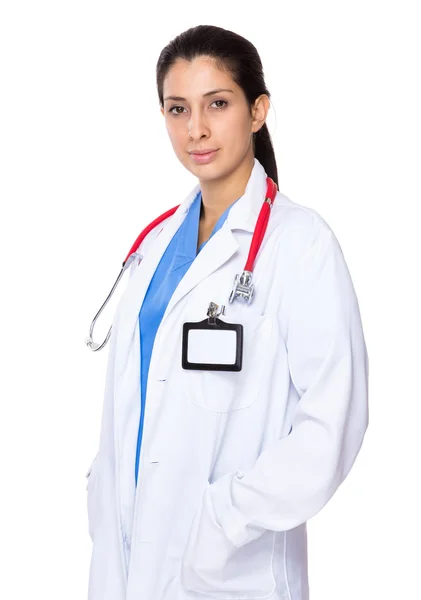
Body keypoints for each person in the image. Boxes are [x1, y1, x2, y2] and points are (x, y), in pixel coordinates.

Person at [85, 24, 369, 600]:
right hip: (127, 561)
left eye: (218, 103)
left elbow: (334, 422)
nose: (197, 129)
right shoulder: (155, 244)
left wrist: (224, 518)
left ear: (258, 110)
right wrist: (102, 489)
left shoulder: (301, 244)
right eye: (177, 108)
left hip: (232, 572)